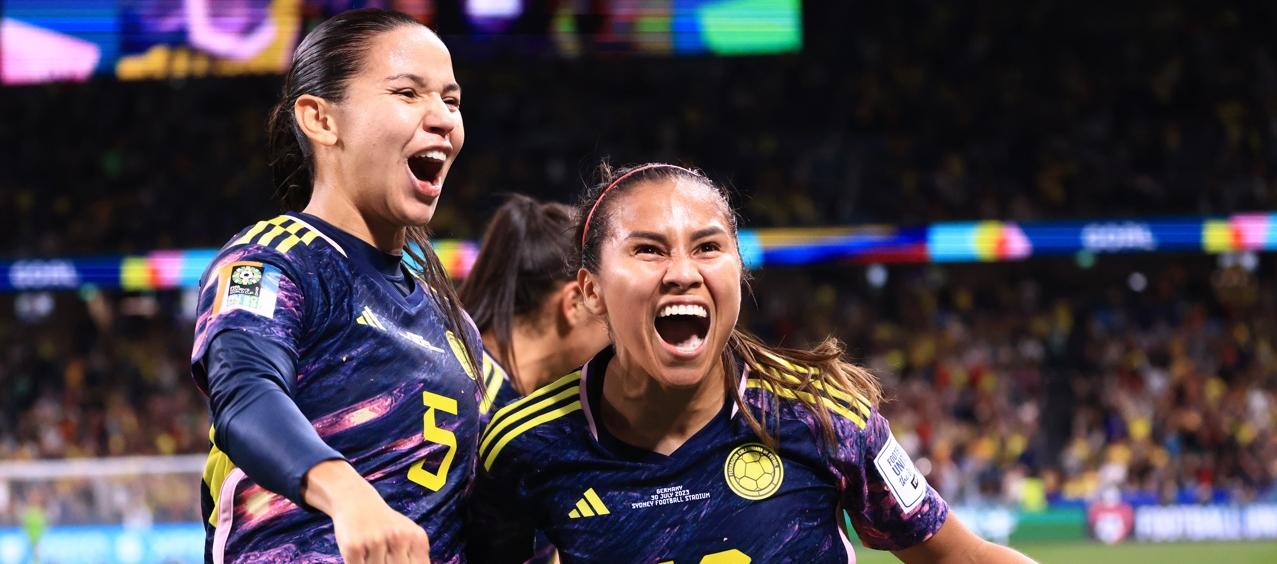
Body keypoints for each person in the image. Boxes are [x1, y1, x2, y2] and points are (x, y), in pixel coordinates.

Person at [469, 163, 1035, 563]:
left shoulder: (822, 417)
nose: (683, 272)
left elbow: (959, 557)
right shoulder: (523, 446)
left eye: (708, 247)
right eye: (648, 249)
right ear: (591, 291)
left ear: (738, 273)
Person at [190, 9, 482, 564]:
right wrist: (347, 494)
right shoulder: (275, 258)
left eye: (451, 100)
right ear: (321, 119)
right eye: (407, 93)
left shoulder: (454, 324)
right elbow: (245, 392)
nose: (443, 118)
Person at [459, 194, 611, 419]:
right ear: (575, 303)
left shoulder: (490, 394)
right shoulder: (473, 403)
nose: (616, 339)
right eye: (610, 313)